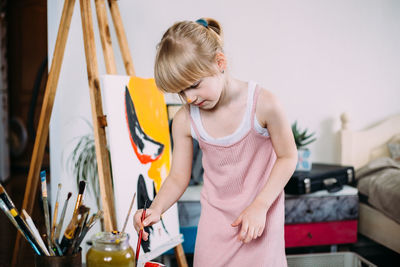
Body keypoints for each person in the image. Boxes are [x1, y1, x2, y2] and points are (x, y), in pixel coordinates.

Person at [133, 18, 298, 266]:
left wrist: (260, 206)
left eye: (194, 86)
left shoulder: (264, 104)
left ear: (220, 63)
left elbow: (288, 157)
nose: (188, 98)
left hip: (259, 220)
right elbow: (178, 177)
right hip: (215, 226)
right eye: (181, 92)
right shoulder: (184, 120)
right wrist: (156, 208)